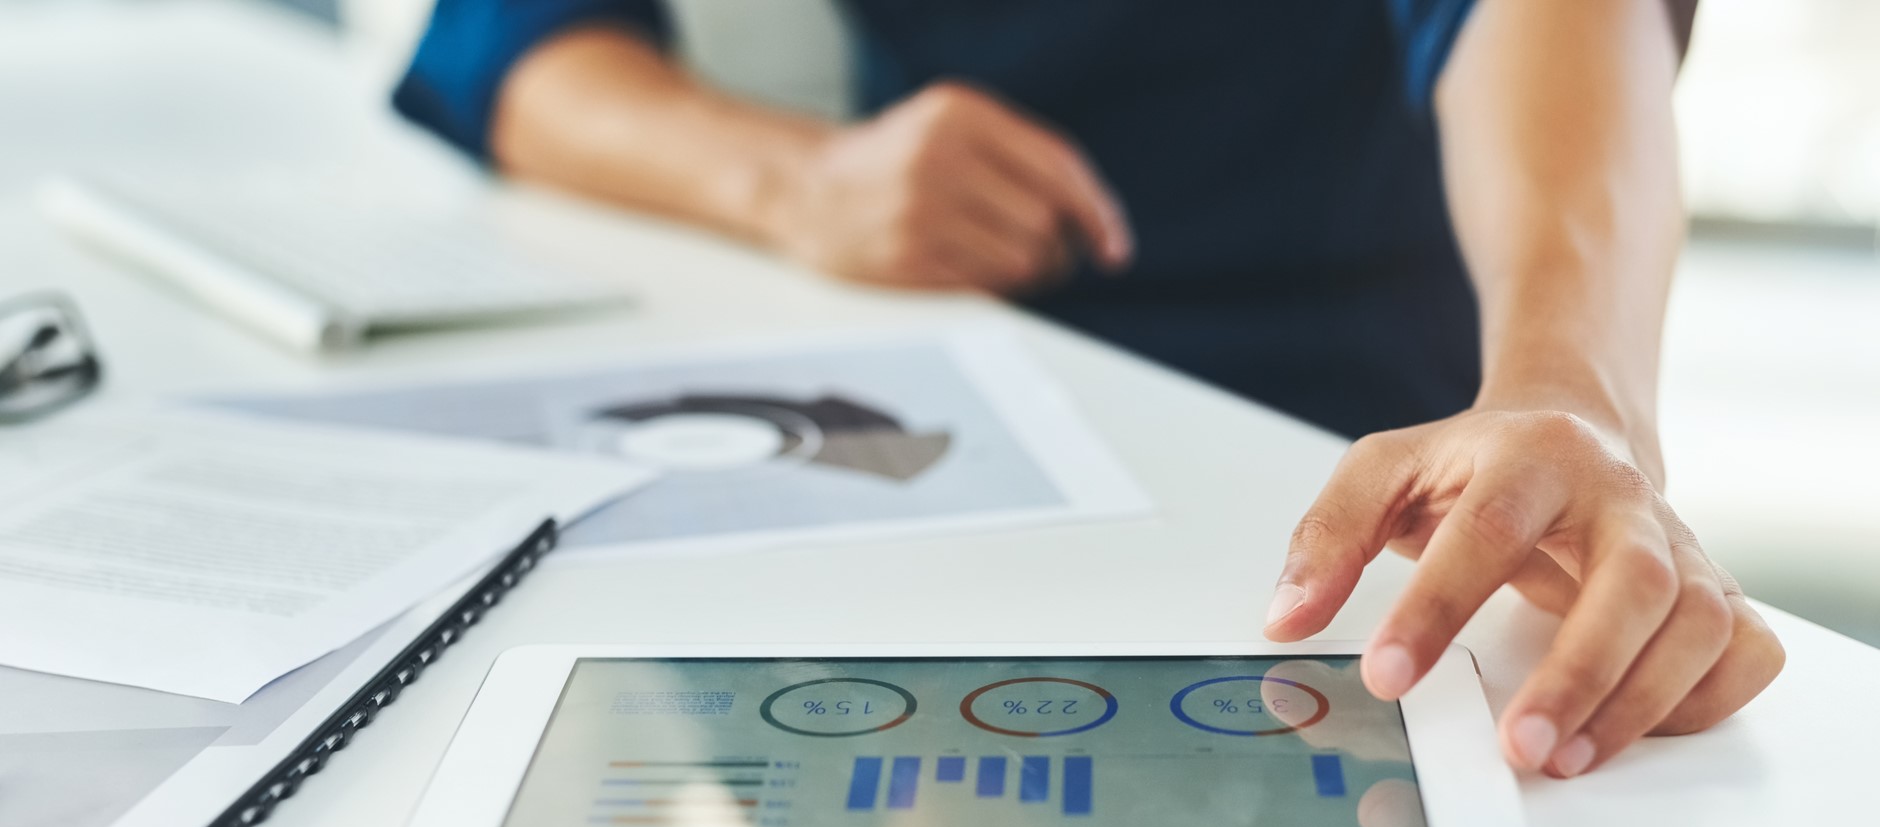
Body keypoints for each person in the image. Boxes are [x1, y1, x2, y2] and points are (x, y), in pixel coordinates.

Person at [394, 0, 1783, 778]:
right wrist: (798, 180)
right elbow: (503, 44)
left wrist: (1570, 392)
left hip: (1356, 472)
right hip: (937, 427)